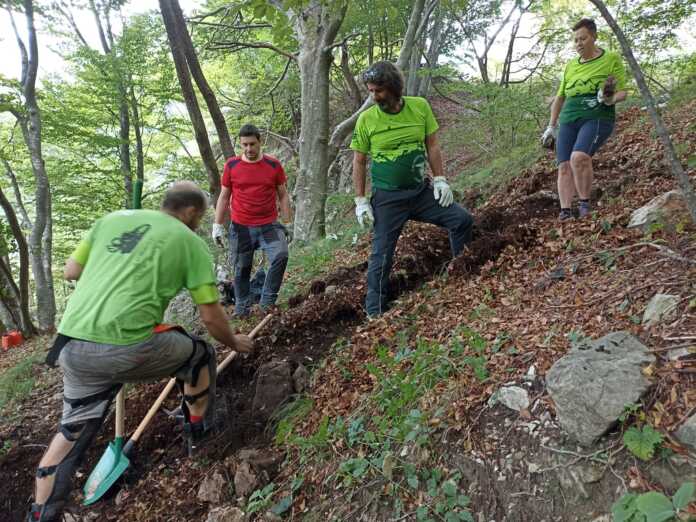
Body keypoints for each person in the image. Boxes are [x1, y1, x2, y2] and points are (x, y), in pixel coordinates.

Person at [27, 182, 254, 522]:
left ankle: (40, 515)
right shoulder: (189, 242)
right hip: (126, 345)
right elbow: (210, 316)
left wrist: (114, 273)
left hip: (72, 346)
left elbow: (71, 271)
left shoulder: (111, 220)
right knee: (200, 355)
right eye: (200, 217)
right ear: (192, 213)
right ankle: (199, 433)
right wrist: (235, 342)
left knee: (70, 433)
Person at [351, 61, 474, 318]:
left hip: (421, 192)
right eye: (371, 91)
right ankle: (375, 311)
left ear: (394, 87)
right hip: (387, 199)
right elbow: (359, 161)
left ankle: (462, 275)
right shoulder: (367, 119)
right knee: (381, 255)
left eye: (379, 91)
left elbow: (432, 145)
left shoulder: (420, 107)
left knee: (461, 219)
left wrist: (440, 179)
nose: (374, 97)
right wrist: (361, 200)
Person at [541, 18, 627, 220]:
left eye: (583, 38)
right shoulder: (570, 65)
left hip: (597, 115)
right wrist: (551, 126)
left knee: (578, 157)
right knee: (563, 165)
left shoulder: (611, 59)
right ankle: (565, 212)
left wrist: (608, 99)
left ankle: (585, 205)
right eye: (576, 40)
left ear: (594, 37)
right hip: (569, 117)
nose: (579, 43)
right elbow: (560, 96)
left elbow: (622, 92)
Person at [212, 124, 293, 317]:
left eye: (252, 144)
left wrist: (288, 223)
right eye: (244, 145)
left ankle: (267, 303)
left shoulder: (273, 165)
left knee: (281, 256)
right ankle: (242, 309)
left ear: (260, 142)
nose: (249, 149)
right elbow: (224, 196)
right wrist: (217, 225)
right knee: (241, 271)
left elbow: (283, 195)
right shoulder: (232, 165)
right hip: (241, 226)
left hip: (269, 224)